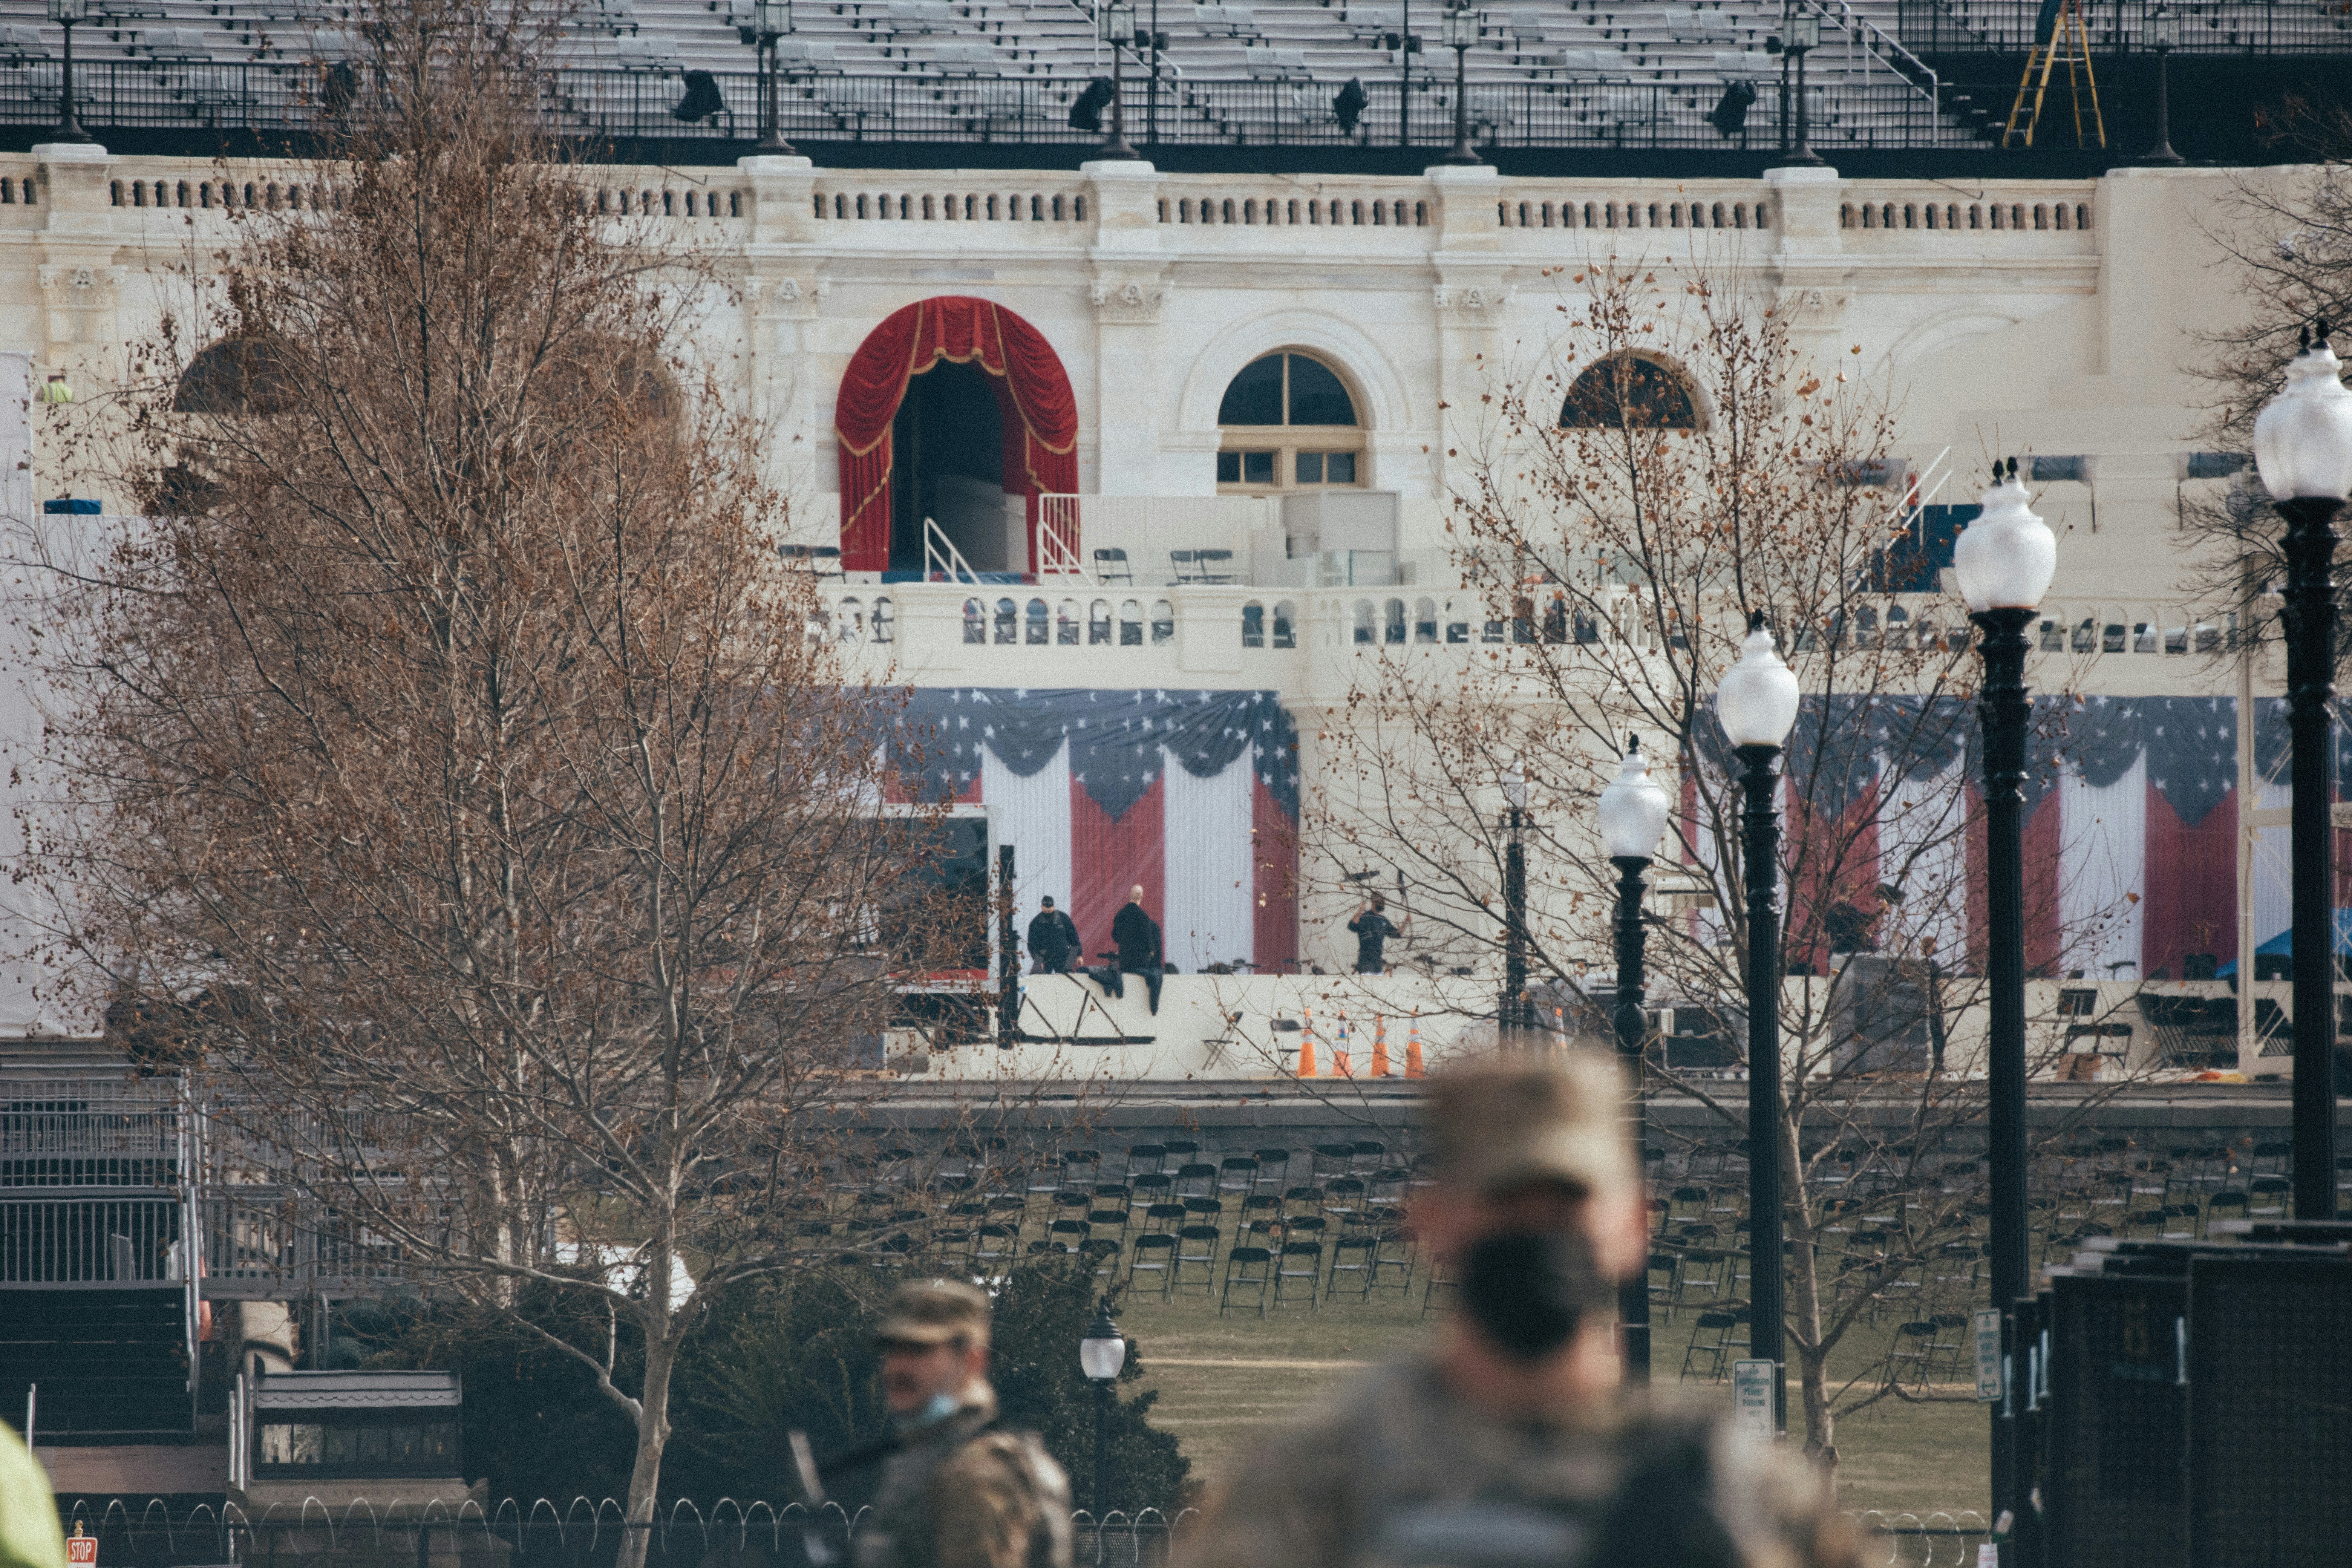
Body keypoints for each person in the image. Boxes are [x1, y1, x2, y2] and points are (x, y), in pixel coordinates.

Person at [1178, 1052, 1860, 1568]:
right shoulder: (1317, 1488)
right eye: (1506, 1202)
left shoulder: (1738, 1497)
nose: (1537, 1230)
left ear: (1634, 1226)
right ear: (1429, 1221)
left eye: (1566, 1205)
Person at [857, 1279, 1073, 1568]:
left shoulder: (976, 1473)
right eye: (894, 1349)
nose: (898, 1366)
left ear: (972, 1361)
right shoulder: (941, 1453)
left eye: (919, 1350)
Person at [1108, 885, 1164, 1014]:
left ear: (1129, 896)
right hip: (1140, 963)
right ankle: (1154, 1008)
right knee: (1156, 975)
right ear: (1142, 897)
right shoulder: (1142, 916)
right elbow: (1147, 939)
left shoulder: (1120, 915)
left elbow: (1115, 937)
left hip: (1124, 963)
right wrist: (1151, 950)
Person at [1345, 892, 1409, 975]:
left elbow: (1398, 934)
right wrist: (1360, 910)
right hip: (1366, 961)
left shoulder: (1383, 920)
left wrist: (1406, 922)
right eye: (1379, 901)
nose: (1382, 904)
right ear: (1373, 901)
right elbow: (1352, 926)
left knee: (1379, 981)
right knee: (1368, 981)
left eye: (1383, 902)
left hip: (1378, 961)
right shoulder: (1365, 917)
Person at [1026, 896, 1081, 975]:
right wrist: (1038, 961)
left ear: (1054, 907)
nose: (1048, 912)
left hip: (1063, 956)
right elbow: (1033, 945)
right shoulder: (1036, 923)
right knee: (1039, 979)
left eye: (1050, 910)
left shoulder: (1064, 918)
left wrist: (1079, 955)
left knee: (1067, 979)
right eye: (1046, 910)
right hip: (1045, 959)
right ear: (1042, 907)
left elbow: (1074, 938)